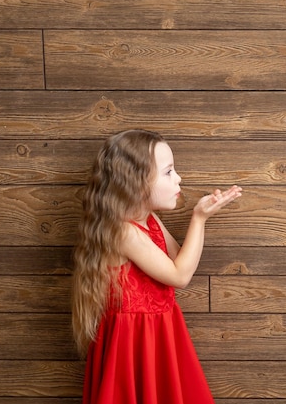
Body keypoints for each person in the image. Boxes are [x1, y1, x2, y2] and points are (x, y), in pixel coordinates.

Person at [71, 129, 242, 404]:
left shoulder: (147, 219)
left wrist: (204, 215)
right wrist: (198, 219)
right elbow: (180, 276)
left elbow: (178, 259)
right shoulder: (123, 232)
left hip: (160, 334)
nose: (179, 179)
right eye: (168, 172)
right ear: (136, 182)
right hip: (135, 342)